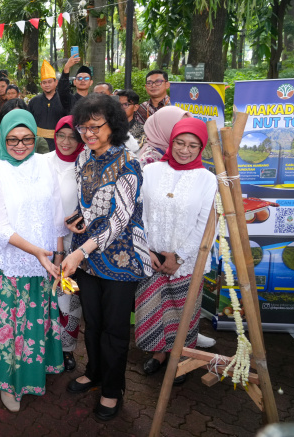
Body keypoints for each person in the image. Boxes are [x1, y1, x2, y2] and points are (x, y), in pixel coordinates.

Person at [0, 109, 65, 413]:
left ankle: (32, 373)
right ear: (4, 138)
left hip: (44, 261)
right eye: (12, 140)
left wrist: (58, 253)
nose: (20, 145)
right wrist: (37, 252)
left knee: (33, 320)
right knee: (6, 323)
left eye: (27, 139)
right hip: (4, 263)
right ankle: (8, 384)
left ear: (35, 138)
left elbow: (56, 212)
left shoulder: (46, 165)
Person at [60, 93, 151, 422]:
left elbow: (120, 219)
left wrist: (82, 248)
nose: (88, 134)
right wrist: (78, 218)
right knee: (93, 321)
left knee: (114, 329)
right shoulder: (82, 159)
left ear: (113, 125)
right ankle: (95, 372)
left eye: (95, 127)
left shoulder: (129, 163)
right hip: (87, 258)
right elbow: (90, 204)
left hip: (121, 259)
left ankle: (113, 389)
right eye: (83, 128)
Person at [136, 118, 216, 383]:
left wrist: (179, 256)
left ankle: (180, 357)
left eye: (193, 145)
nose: (185, 150)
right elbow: (140, 213)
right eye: (180, 143)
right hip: (152, 256)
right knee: (155, 309)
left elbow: (206, 225)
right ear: (171, 142)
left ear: (201, 148)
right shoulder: (151, 171)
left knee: (184, 312)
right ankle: (160, 354)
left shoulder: (207, 179)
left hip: (187, 260)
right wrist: (148, 249)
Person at [41, 116, 85, 372]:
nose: (66, 142)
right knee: (41, 297)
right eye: (61, 135)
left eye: (72, 137)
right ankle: (43, 345)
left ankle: (67, 349)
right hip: (41, 244)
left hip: (71, 246)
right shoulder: (42, 162)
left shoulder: (84, 165)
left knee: (68, 298)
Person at [29, 60, 68, 147]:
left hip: (60, 142)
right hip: (37, 143)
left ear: (56, 82)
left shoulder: (64, 100)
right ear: (41, 84)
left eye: (50, 82)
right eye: (44, 82)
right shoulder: (33, 101)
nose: (47, 85)